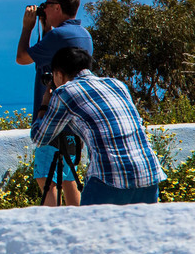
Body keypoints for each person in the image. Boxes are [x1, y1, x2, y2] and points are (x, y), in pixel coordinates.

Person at [30, 46, 164, 205]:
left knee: (89, 228)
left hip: (109, 178)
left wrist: (44, 106)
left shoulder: (64, 92)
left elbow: (39, 138)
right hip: (149, 173)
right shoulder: (117, 85)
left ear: (58, 73)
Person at [15, 0, 93, 205]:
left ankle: (54, 228)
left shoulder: (58, 35)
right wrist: (46, 27)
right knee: (68, 178)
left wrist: (27, 27)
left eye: (47, 5)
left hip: (53, 116)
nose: (44, 9)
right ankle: (76, 223)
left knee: (46, 178)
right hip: (75, 118)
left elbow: (22, 57)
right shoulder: (83, 34)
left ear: (57, 7)